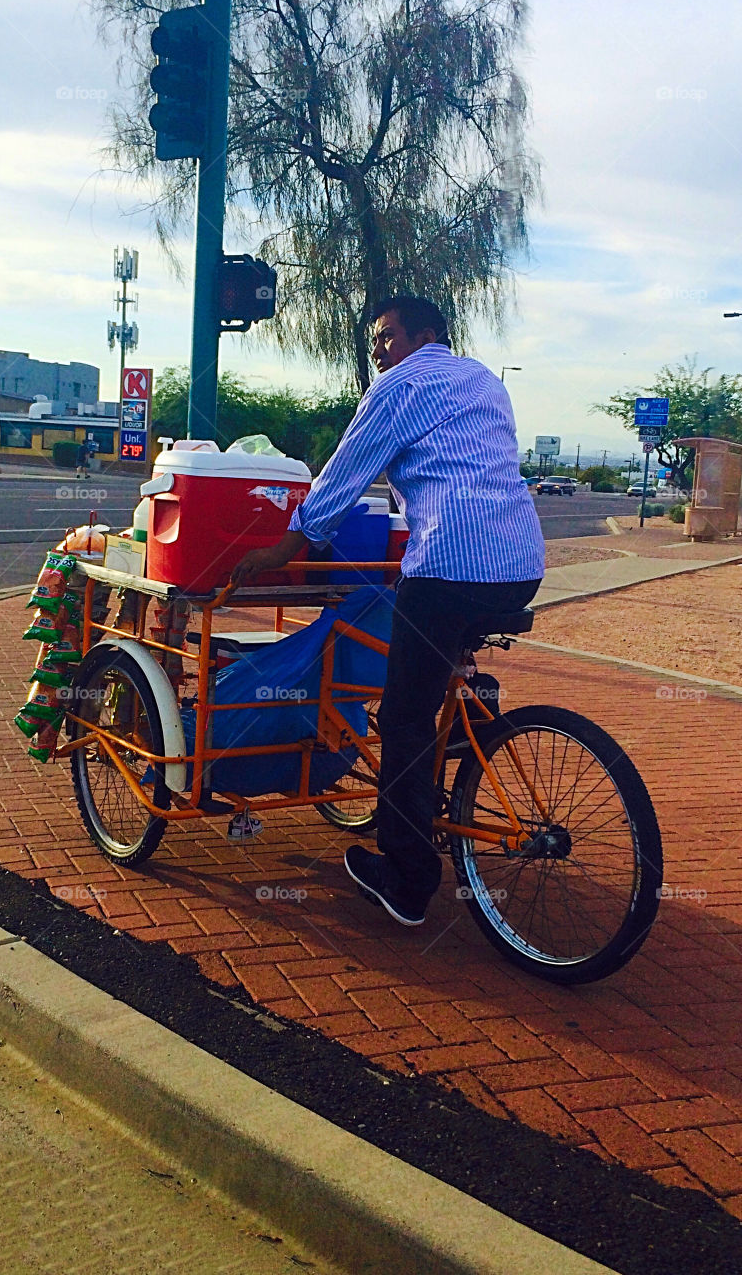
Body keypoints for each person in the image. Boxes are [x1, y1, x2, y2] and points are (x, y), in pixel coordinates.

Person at [231, 295, 545, 927]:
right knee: (433, 669)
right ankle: (461, 734)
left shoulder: (397, 386)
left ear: (425, 335)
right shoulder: (482, 379)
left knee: (402, 719)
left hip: (449, 566)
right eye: (375, 342)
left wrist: (283, 549)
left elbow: (342, 478)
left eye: (388, 336)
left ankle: (405, 877)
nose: (379, 350)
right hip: (520, 567)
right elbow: (465, 468)